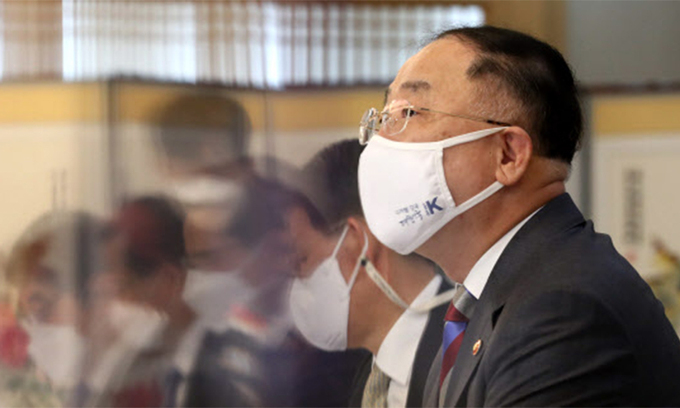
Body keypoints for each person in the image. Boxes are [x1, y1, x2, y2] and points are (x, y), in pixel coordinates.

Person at [357, 25, 680, 406]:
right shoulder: (485, 300)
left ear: (508, 155)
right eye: (384, 115)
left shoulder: (562, 310)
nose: (382, 139)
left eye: (409, 112)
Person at [286, 139, 456, 407]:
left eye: (301, 260)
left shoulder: (469, 356)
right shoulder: (367, 378)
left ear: (357, 243)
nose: (294, 284)